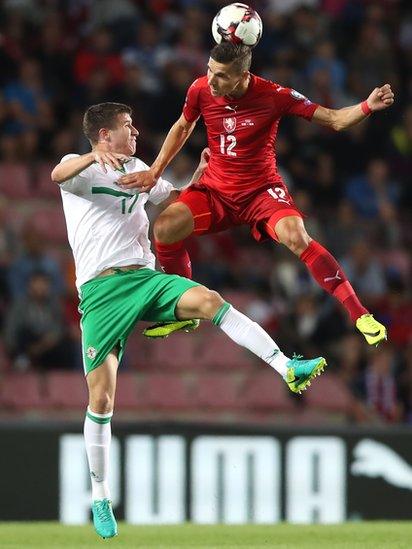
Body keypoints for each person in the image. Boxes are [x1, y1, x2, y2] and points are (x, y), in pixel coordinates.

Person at [51, 102, 326, 539]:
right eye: (126, 126)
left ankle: (286, 366)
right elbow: (57, 177)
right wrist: (89, 157)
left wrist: (197, 179)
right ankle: (100, 497)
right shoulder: (78, 166)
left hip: (144, 277)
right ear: (104, 134)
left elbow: (174, 200)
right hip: (101, 293)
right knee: (101, 401)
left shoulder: (140, 167)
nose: (136, 131)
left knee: (210, 301)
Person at [117, 42, 394, 346]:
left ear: (243, 75)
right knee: (166, 227)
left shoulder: (274, 95)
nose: (211, 80)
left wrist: (367, 106)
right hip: (216, 190)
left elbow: (335, 119)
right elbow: (182, 127)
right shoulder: (200, 89)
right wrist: (155, 171)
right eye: (210, 70)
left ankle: (359, 314)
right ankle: (186, 310)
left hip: (261, 193)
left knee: (296, 236)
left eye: (221, 75)